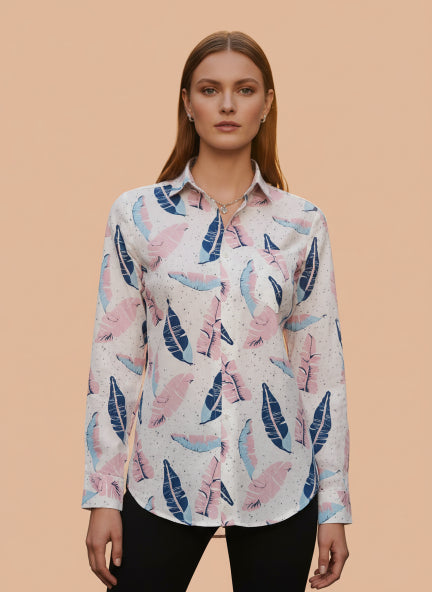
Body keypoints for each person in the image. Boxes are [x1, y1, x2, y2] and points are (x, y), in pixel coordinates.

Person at [82, 30, 352, 592]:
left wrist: (334, 504)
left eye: (244, 90)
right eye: (210, 89)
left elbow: (321, 367)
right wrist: (103, 494)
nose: (227, 104)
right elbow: (115, 358)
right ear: (187, 103)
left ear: (266, 104)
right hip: (162, 480)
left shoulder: (302, 223)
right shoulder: (138, 215)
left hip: (281, 486)